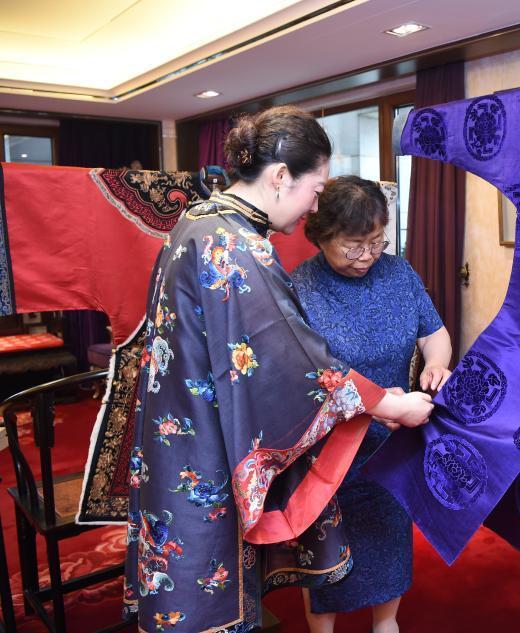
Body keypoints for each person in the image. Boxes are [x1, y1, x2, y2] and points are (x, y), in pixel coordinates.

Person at [124, 106, 433, 632]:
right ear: (281, 176)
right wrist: (392, 404)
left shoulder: (197, 224)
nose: (316, 205)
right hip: (207, 448)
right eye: (316, 190)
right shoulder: (239, 246)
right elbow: (298, 364)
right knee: (208, 596)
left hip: (182, 431)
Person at [292, 176, 452, 633]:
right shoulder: (299, 288)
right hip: (329, 447)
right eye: (353, 246)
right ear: (321, 236)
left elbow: (433, 330)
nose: (367, 257)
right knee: (327, 564)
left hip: (390, 440)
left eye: (376, 243)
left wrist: (437, 363)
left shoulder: (399, 272)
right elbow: (301, 377)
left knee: (388, 547)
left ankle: (387, 625)